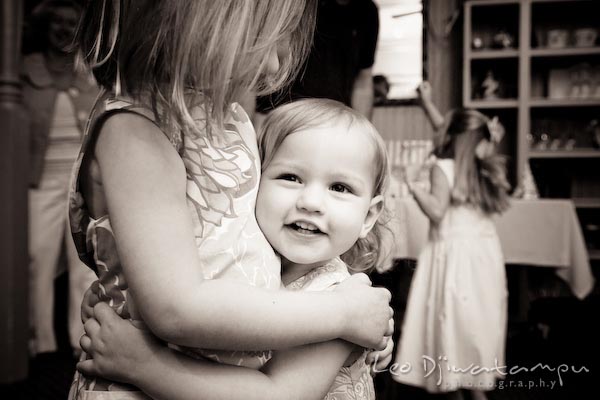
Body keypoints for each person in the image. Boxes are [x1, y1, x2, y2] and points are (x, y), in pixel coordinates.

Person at [67, 1, 393, 399]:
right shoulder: (137, 131)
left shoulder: (229, 118)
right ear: (201, 20)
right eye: (266, 38)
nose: (276, 64)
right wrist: (344, 315)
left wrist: (356, 323)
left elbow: (239, 239)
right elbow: (176, 306)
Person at [393, 82, 510, 400]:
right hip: (482, 257)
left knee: (456, 319)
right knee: (474, 321)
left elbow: (435, 211)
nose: (492, 147)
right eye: (487, 141)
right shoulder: (477, 169)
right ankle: (473, 385)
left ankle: (458, 384)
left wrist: (411, 183)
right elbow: (451, 129)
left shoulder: (451, 168)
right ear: (474, 142)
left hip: (456, 259)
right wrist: (428, 104)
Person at [22, 0, 98, 356]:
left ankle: (78, 339)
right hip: (38, 180)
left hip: (78, 181)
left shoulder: (90, 73)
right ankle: (39, 342)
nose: (64, 30)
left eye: (72, 23)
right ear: (46, 27)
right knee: (36, 257)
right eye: (58, 22)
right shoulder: (25, 70)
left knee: (84, 263)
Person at [256, 0, 379, 120]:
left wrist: (361, 130)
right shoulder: (301, 4)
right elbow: (256, 63)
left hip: (334, 119)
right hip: (283, 114)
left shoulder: (368, 12)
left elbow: (363, 80)